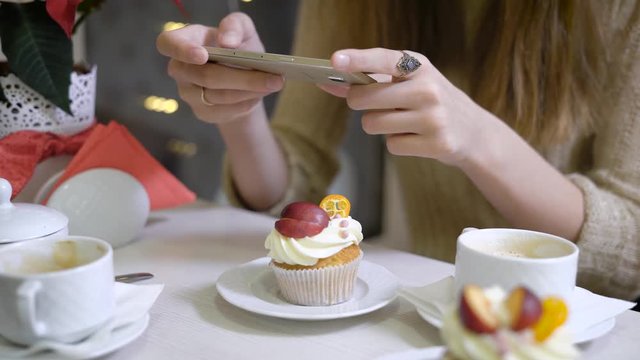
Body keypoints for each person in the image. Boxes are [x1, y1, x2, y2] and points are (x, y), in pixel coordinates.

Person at [157, 0, 640, 300]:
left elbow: (631, 250)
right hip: (429, 303)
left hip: (578, 322)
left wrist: (478, 140)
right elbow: (292, 184)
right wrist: (239, 107)